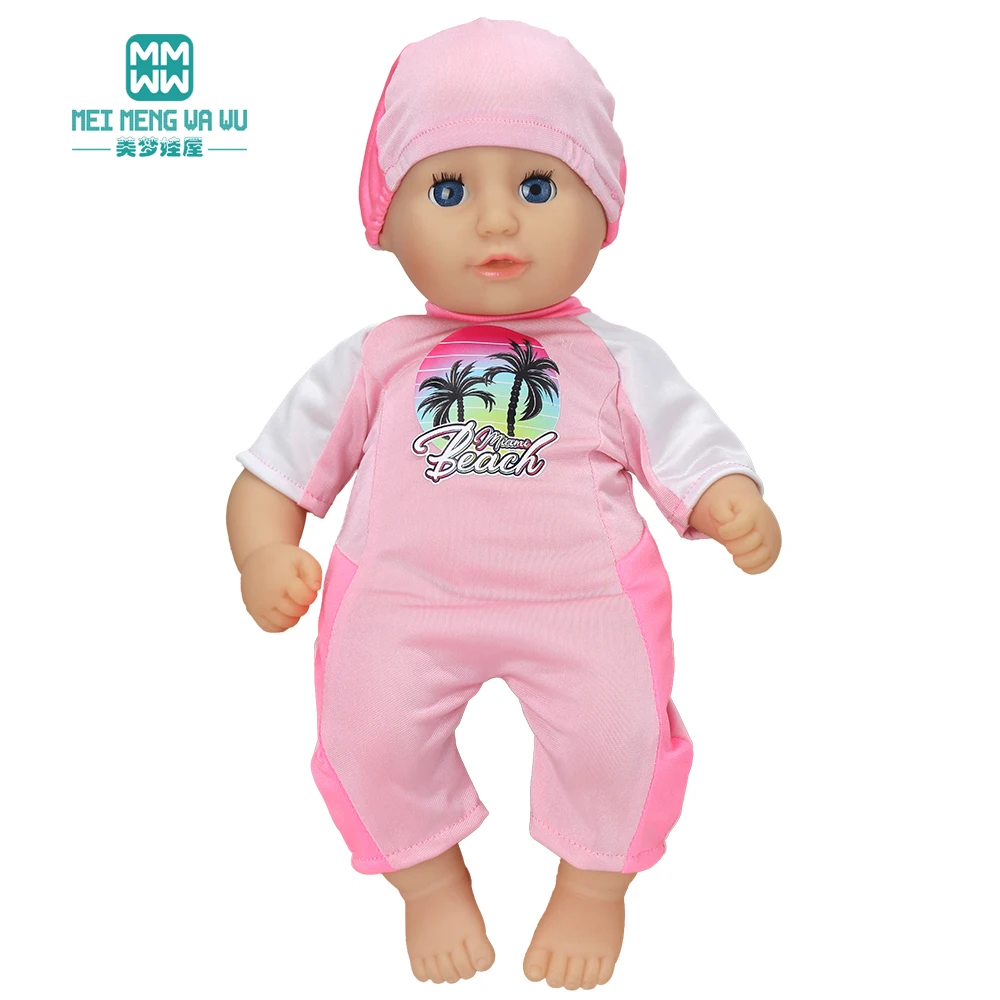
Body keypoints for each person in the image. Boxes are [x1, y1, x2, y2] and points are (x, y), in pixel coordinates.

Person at [226, 17, 781, 990]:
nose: (495, 223)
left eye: (536, 186)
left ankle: (594, 886)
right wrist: (265, 552)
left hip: (582, 601)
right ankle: (428, 881)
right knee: (365, 736)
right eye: (449, 189)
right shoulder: (376, 360)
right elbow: (269, 478)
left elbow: (690, 447)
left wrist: (728, 499)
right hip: (399, 601)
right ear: (386, 216)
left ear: (603, 207)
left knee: (620, 734)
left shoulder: (614, 358)